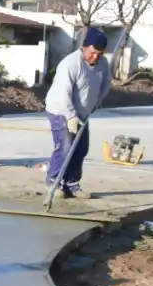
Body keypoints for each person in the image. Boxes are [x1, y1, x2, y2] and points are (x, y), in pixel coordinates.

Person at [43, 28, 113, 199]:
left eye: (100, 54)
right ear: (84, 47)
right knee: (66, 146)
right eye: (93, 53)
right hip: (60, 110)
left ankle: (71, 183)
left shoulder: (102, 63)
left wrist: (97, 102)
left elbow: (105, 84)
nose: (95, 57)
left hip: (83, 113)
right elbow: (62, 93)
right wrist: (71, 116)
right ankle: (54, 180)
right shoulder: (71, 63)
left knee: (81, 148)